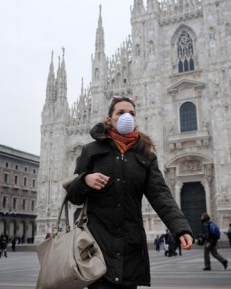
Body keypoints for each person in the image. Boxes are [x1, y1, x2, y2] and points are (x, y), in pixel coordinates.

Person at [66, 96, 193, 289]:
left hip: (130, 249)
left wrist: (180, 227)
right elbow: (74, 196)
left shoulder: (145, 155)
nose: (127, 117)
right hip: (98, 248)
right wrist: (85, 180)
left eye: (131, 113)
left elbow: (160, 195)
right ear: (109, 118)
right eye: (121, 113)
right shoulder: (91, 150)